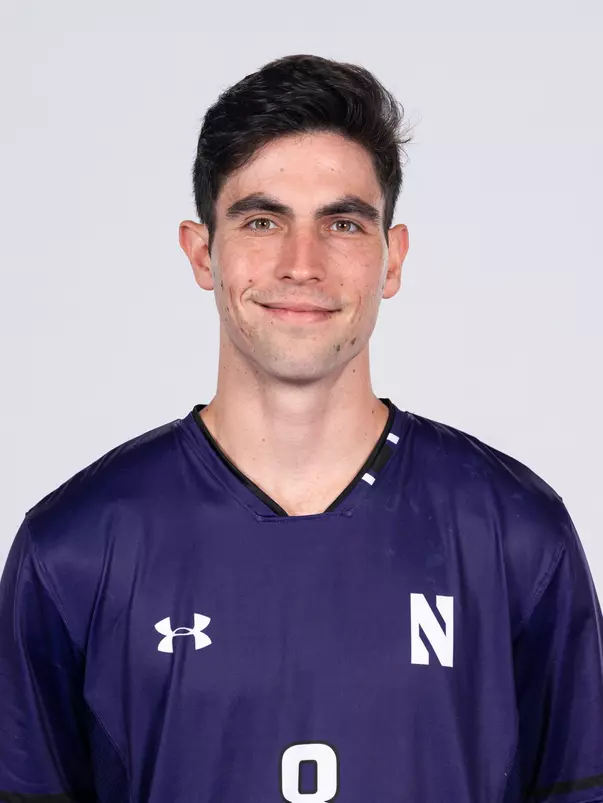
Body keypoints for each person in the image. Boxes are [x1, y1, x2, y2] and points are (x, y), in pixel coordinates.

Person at [0, 53, 601, 803]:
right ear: (201, 252)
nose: (301, 263)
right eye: (261, 220)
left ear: (392, 258)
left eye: (342, 223)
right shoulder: (77, 547)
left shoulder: (512, 533)